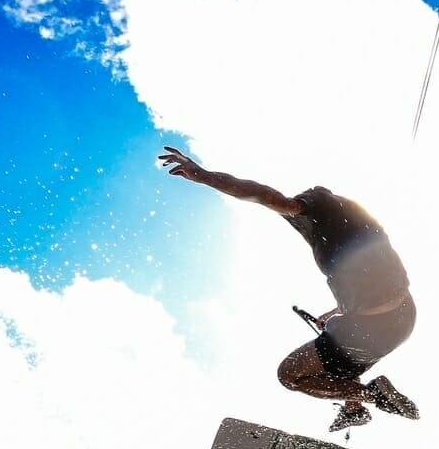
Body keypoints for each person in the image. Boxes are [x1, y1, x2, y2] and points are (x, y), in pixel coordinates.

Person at [158, 146, 419, 432]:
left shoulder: (320, 207)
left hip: (373, 329)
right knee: (335, 338)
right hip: (402, 318)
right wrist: (335, 313)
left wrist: (204, 176)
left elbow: (264, 195)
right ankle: (354, 407)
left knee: (291, 375)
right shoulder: (356, 224)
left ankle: (371, 396)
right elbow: (373, 280)